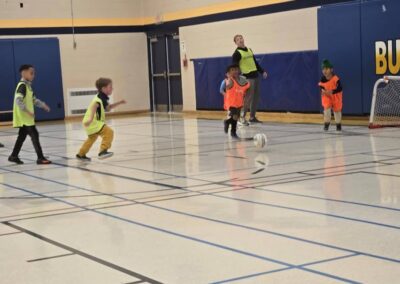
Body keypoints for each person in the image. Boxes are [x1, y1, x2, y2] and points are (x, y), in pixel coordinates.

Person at [8, 64, 52, 165]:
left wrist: (43, 105)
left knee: (21, 137)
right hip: (25, 118)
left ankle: (13, 156)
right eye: (31, 73)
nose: (33, 75)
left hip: (26, 119)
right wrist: (28, 111)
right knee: (34, 135)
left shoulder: (28, 86)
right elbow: (18, 100)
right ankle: (40, 158)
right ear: (24, 73)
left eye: (34, 73)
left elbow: (33, 100)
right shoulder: (22, 86)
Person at [76, 78, 126, 161]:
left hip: (89, 121)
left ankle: (81, 154)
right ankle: (103, 151)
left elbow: (108, 108)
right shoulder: (100, 98)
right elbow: (94, 105)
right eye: (110, 87)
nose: (112, 88)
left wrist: (119, 103)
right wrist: (91, 119)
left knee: (92, 138)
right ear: (103, 88)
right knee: (109, 132)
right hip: (92, 121)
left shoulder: (103, 97)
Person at [232, 34, 268, 125]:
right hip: (247, 78)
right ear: (236, 43)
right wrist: (238, 78)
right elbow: (234, 67)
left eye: (241, 38)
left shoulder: (249, 50)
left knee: (255, 98)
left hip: (255, 75)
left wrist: (262, 71)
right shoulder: (236, 53)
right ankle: (241, 118)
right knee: (248, 98)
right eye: (238, 39)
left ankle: (252, 117)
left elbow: (255, 63)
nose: (240, 40)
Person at [223, 64, 250, 138]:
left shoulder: (241, 81)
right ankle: (233, 132)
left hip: (239, 103)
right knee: (235, 116)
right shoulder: (230, 80)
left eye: (236, 69)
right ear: (229, 72)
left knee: (236, 118)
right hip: (231, 103)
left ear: (238, 70)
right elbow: (227, 86)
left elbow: (247, 88)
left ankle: (227, 122)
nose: (234, 71)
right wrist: (228, 83)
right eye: (232, 70)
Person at [318, 60, 343, 131]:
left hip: (336, 96)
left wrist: (332, 91)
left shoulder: (336, 78)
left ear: (331, 69)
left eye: (326, 69)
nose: (324, 71)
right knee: (326, 110)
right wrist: (323, 91)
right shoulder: (322, 79)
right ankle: (326, 124)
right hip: (326, 96)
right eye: (323, 69)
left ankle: (338, 124)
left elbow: (340, 88)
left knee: (337, 111)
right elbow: (321, 86)